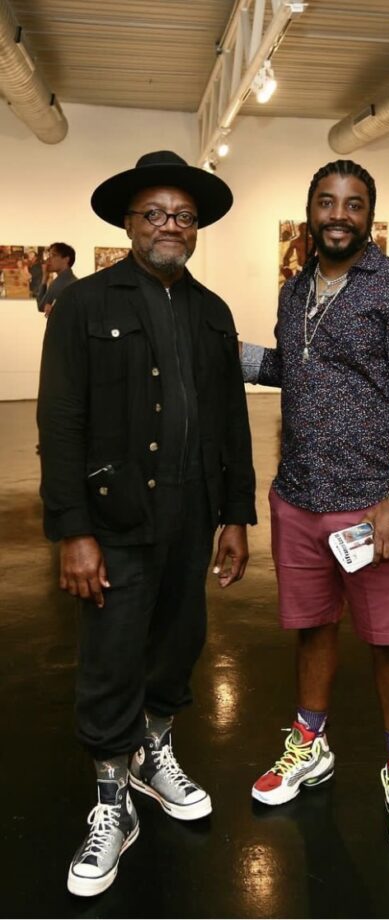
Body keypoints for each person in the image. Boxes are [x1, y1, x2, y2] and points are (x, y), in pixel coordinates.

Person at [37, 150, 256, 897]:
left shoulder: (213, 311)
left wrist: (235, 515)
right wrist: (73, 530)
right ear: (129, 224)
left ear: (196, 229)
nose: (170, 225)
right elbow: (59, 420)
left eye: (183, 216)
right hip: (114, 516)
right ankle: (111, 798)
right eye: (155, 214)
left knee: (177, 642)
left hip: (193, 515)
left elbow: (231, 421)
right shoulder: (85, 305)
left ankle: (154, 754)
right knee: (112, 655)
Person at [240, 159, 389, 852]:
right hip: (299, 495)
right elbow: (294, 370)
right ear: (309, 211)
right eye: (326, 202)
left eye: (353, 204)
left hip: (372, 504)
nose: (338, 214)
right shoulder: (296, 289)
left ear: (369, 216)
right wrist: (220, 351)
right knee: (312, 628)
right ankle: (310, 743)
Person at [36, 242, 78, 316]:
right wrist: (45, 277)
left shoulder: (62, 282)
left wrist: (44, 277)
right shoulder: (71, 281)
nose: (48, 259)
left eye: (53, 255)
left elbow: (41, 306)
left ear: (66, 259)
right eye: (49, 255)